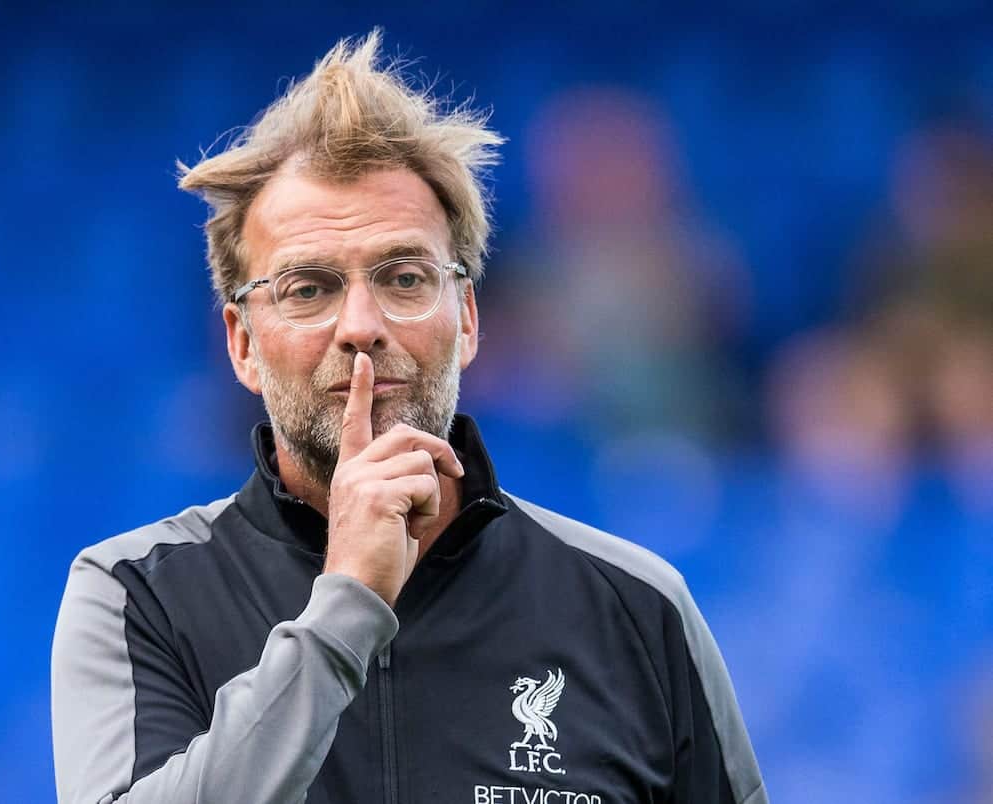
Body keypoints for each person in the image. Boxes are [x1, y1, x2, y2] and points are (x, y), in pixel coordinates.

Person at [50, 31, 768, 804]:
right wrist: (346, 605)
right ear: (243, 344)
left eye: (403, 277)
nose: (361, 323)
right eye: (308, 288)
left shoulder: (638, 606)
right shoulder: (137, 595)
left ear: (467, 317)